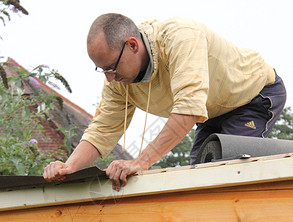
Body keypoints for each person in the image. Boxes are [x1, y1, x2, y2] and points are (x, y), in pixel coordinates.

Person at [43, 13, 286, 191]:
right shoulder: (117, 81)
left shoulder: (181, 39)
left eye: (111, 67)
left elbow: (188, 109)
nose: (109, 78)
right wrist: (68, 168)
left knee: (225, 171)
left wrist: (140, 162)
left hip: (253, 95)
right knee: (198, 175)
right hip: (213, 108)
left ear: (132, 45)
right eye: (101, 70)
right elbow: (103, 130)